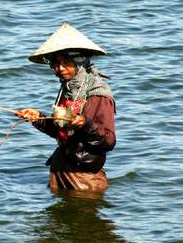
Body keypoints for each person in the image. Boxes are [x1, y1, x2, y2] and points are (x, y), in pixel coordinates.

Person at [16, 23, 116, 193]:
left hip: (84, 177)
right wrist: (38, 118)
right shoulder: (68, 89)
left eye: (66, 63)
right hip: (61, 167)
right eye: (55, 63)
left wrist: (86, 124)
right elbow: (61, 132)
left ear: (79, 63)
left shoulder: (98, 94)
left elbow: (108, 141)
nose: (60, 69)